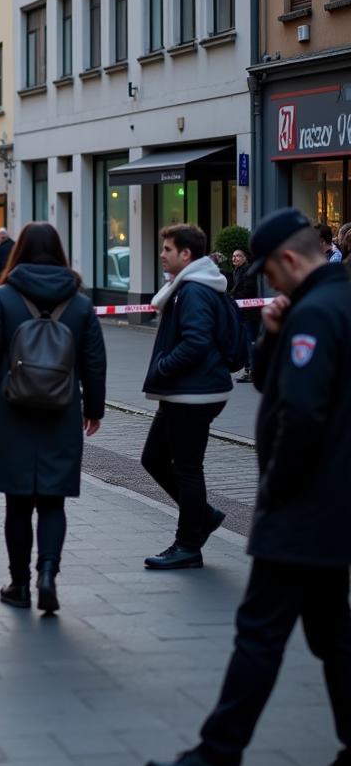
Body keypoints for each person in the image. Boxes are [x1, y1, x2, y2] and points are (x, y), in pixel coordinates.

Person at [145, 208, 351, 766]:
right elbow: (263, 377)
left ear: (290, 260)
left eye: (270, 274)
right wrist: (273, 334)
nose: (268, 286)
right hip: (332, 503)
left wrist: (276, 497)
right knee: (333, 635)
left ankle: (218, 755)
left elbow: (303, 416)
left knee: (259, 632)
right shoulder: (328, 305)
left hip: (304, 506)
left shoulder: (317, 314)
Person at [0, 222, 106, 614]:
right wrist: (93, 408)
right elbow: (94, 362)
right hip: (61, 413)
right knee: (52, 501)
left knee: (17, 504)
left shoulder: (2, 297)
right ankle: (48, 575)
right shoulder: (79, 303)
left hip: (12, 414)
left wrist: (6, 385)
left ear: (19, 251)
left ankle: (19, 584)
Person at [139, 224, 233, 570]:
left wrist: (163, 366)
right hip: (186, 390)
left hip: (194, 392)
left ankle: (188, 544)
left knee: (188, 467)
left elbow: (196, 341)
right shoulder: (190, 286)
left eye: (167, 249)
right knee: (154, 457)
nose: (162, 254)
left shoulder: (193, 291)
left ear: (186, 255)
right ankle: (201, 516)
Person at [229, 248, 259, 384]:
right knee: (245, 341)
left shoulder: (247, 271)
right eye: (233, 256)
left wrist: (233, 297)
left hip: (249, 314)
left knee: (250, 341)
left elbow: (249, 291)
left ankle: (252, 370)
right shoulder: (237, 271)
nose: (235, 258)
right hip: (242, 313)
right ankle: (248, 369)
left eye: (238, 256)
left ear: (245, 258)